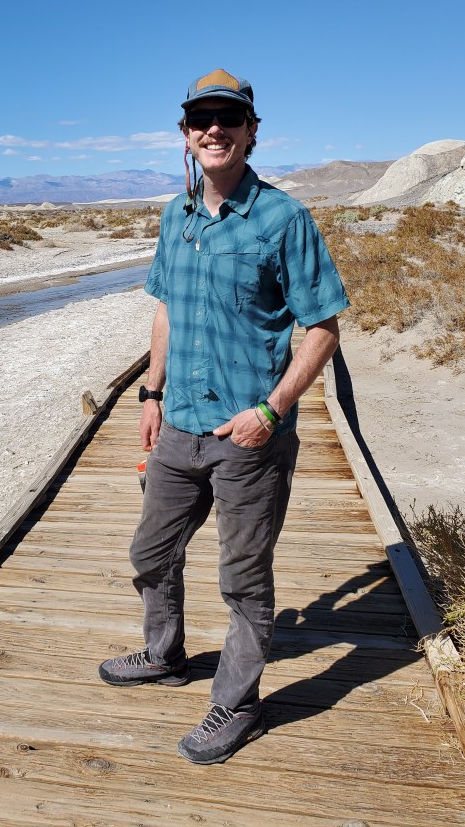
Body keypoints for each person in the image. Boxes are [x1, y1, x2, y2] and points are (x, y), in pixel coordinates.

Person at [98, 69, 350, 765]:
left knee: (243, 579)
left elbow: (323, 328)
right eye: (201, 119)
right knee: (151, 554)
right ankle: (164, 655)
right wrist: (151, 395)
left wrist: (271, 410)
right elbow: (166, 310)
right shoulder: (175, 217)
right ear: (185, 134)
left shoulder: (283, 218)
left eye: (228, 118)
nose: (214, 129)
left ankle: (237, 704)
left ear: (251, 132)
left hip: (248, 437)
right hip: (178, 425)